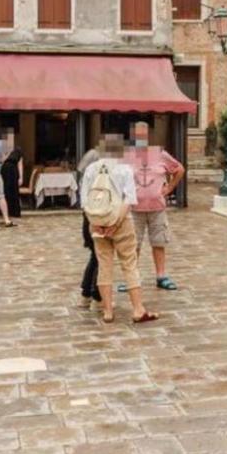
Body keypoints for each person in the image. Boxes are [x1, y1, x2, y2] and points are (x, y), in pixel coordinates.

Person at [79, 135, 157, 324]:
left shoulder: (91, 169)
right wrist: (115, 223)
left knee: (104, 265)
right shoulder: (123, 169)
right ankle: (138, 309)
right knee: (129, 264)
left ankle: (107, 311)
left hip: (97, 221)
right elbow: (129, 199)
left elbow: (84, 200)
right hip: (120, 222)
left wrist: (96, 222)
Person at [121, 121, 186, 291]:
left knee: (159, 242)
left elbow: (179, 169)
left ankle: (161, 275)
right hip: (135, 209)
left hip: (157, 208)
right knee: (133, 245)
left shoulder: (160, 154)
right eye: (137, 135)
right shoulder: (127, 156)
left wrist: (170, 187)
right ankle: (131, 277)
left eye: (143, 134)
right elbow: (118, 178)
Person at [77, 144, 102, 308]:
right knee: (101, 258)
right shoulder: (97, 182)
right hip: (98, 217)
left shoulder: (84, 180)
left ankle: (86, 293)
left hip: (88, 218)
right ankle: (96, 294)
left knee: (96, 256)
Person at [0, 139, 24, 219]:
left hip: (13, 171)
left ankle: (15, 212)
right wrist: (7, 154)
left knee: (14, 191)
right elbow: (1, 161)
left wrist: (21, 177)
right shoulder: (3, 149)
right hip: (5, 171)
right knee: (5, 191)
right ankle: (6, 211)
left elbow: (20, 164)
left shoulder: (18, 150)